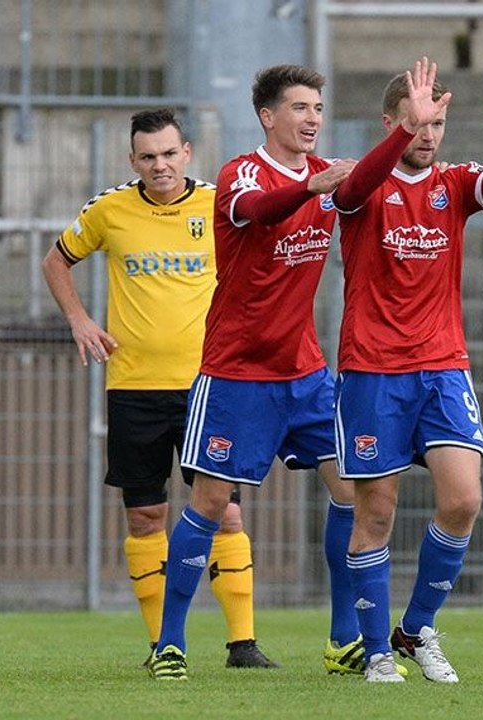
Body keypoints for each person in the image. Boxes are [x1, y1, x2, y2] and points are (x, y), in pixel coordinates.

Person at [329, 52, 483, 683]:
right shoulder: (364, 184)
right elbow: (349, 192)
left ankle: (417, 628)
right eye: (415, 123)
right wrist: (398, 133)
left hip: (442, 368)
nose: (427, 135)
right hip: (372, 372)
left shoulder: (453, 186)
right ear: (390, 121)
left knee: (464, 499)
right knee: (376, 514)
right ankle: (374, 653)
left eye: (435, 125)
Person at [145, 65, 364, 681]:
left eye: (317, 107)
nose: (312, 118)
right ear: (269, 117)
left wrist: (407, 130)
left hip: (307, 372)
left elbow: (365, 185)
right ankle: (171, 643)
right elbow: (261, 211)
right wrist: (314, 185)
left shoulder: (325, 179)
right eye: (299, 107)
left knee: (352, 491)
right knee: (210, 503)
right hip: (237, 372)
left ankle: (343, 638)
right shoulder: (242, 172)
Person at [42, 107, 277, 670]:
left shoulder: (220, 204)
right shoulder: (109, 209)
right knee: (146, 515)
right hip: (134, 386)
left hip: (210, 384)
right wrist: (79, 319)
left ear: (187, 153)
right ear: (133, 161)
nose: (160, 165)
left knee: (225, 513)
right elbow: (56, 260)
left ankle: (242, 644)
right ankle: (162, 646)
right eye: (148, 157)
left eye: (169, 154)